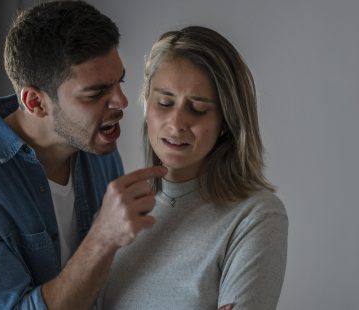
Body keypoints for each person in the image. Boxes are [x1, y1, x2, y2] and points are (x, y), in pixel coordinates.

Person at [0, 1, 167, 309]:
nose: (121, 102)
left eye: (118, 82)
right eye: (96, 93)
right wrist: (103, 238)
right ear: (35, 102)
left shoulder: (97, 146)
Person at [98, 26, 289, 309]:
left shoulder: (255, 215)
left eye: (198, 108)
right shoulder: (117, 206)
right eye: (164, 102)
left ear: (226, 121)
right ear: (146, 104)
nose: (176, 123)